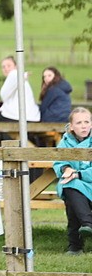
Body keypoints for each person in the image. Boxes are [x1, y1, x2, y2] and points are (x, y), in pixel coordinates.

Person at [53, 106, 92, 254]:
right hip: (74, 184)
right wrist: (66, 169)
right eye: (79, 122)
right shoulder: (64, 143)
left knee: (72, 193)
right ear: (71, 126)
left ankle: (75, 245)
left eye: (86, 122)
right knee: (69, 186)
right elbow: (59, 163)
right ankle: (87, 224)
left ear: (91, 124)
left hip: (89, 183)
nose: (83, 126)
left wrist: (79, 175)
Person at [0, 55, 41, 123]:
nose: (6, 68)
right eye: (3, 67)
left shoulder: (14, 74)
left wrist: (24, 75)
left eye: (9, 66)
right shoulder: (18, 76)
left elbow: (3, 95)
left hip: (21, 117)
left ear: (16, 66)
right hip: (33, 117)